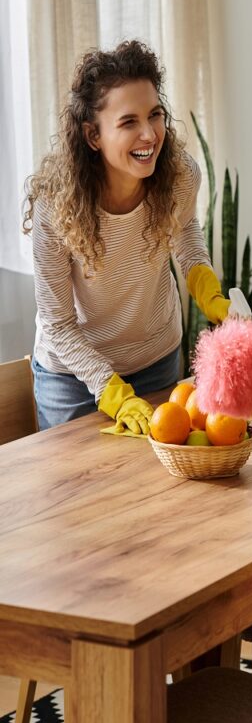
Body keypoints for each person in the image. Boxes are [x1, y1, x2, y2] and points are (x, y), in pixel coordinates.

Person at [23, 40, 230, 435]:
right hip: (73, 379)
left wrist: (207, 288)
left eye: (154, 115)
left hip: (157, 359)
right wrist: (112, 392)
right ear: (92, 136)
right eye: (128, 121)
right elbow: (58, 323)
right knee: (76, 495)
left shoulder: (180, 175)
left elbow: (184, 229)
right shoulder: (55, 206)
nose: (149, 134)